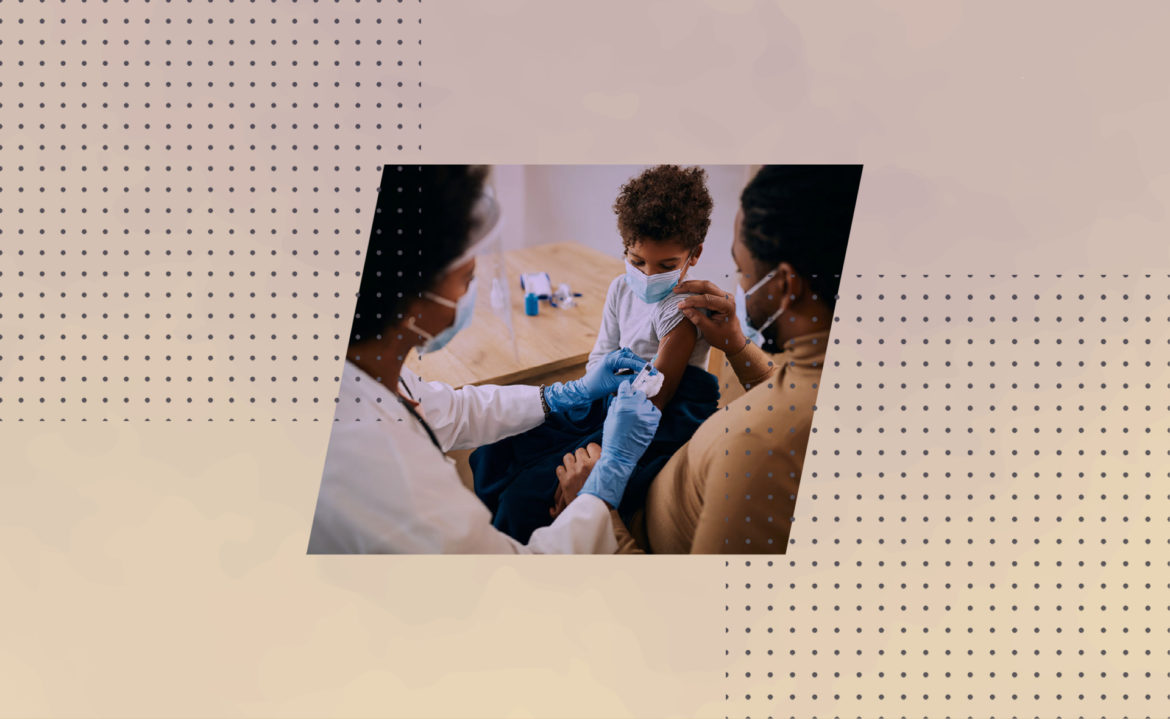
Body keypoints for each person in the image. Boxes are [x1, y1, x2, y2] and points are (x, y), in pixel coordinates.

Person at [306, 165, 662, 554]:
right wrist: (599, 491)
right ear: (410, 297)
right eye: (466, 279)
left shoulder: (363, 370)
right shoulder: (382, 469)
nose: (469, 294)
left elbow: (449, 410)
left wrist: (564, 394)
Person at [553, 165, 863, 553]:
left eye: (741, 269)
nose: (735, 289)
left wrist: (595, 508)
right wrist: (735, 342)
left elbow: (696, 606)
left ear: (785, 285)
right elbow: (785, 389)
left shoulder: (765, 449)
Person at [469, 165, 721, 544]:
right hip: (608, 403)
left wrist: (601, 456)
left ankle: (521, 558)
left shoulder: (681, 308)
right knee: (495, 449)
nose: (649, 274)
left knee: (530, 494)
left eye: (666, 266)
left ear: (694, 255)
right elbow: (601, 355)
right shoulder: (621, 289)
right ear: (625, 249)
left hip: (651, 420)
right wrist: (588, 390)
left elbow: (657, 395)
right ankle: (496, 538)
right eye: (637, 261)